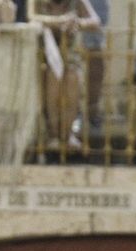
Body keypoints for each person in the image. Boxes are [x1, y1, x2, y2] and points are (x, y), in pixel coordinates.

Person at [32, 0, 103, 154]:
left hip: (70, 54)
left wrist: (78, 22)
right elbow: (31, 17)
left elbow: (95, 21)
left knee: (72, 79)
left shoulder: (77, 2)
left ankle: (68, 133)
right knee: (53, 79)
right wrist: (57, 22)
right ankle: (53, 134)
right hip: (45, 54)